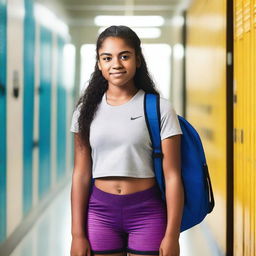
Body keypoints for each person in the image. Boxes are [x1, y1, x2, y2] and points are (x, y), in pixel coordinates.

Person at [70, 25, 184, 256]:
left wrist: (172, 235)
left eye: (124, 56)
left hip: (147, 212)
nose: (116, 64)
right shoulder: (85, 112)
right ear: (99, 64)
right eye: (107, 57)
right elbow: (81, 174)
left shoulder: (159, 108)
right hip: (100, 213)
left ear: (138, 60)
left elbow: (172, 176)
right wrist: (77, 235)